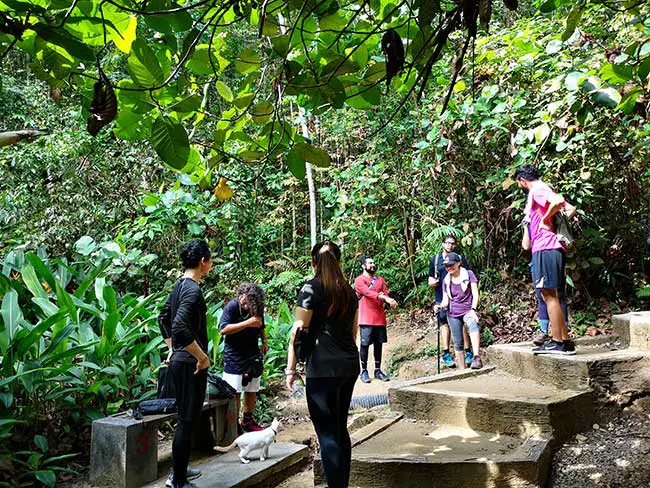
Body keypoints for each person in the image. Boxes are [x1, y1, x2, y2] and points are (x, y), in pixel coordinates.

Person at [285, 241, 359, 488]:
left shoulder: (310, 288)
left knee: (326, 434)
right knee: (339, 429)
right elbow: (353, 332)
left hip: (322, 368)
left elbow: (298, 330)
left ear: (313, 263)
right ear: (339, 261)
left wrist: (291, 369)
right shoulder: (349, 291)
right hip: (349, 365)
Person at [158, 240, 212, 488]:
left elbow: (163, 318)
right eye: (210, 260)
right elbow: (178, 325)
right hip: (191, 364)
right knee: (187, 420)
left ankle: (180, 470)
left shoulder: (178, 285)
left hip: (181, 360)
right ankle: (177, 480)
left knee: (186, 419)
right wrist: (201, 356)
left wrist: (172, 349)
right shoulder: (191, 289)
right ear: (203, 261)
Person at [515, 164, 576, 355]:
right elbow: (571, 209)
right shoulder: (543, 189)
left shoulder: (538, 190)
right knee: (551, 295)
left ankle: (559, 342)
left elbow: (558, 201)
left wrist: (545, 219)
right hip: (550, 248)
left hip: (546, 247)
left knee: (549, 295)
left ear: (522, 180)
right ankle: (563, 341)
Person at [220, 282, 267, 433]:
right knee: (235, 391)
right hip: (234, 355)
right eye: (246, 303)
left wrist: (264, 341)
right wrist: (247, 323)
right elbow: (223, 329)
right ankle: (234, 427)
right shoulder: (232, 307)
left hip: (252, 354)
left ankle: (247, 421)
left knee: (252, 388)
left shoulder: (256, 306)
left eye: (251, 304)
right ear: (242, 296)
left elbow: (261, 325)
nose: (248, 307)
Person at [428, 235, 473, 368]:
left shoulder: (459, 259)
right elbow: (430, 278)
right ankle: (446, 353)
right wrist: (433, 283)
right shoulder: (436, 260)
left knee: (462, 323)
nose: (450, 246)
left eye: (453, 243)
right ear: (443, 244)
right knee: (444, 324)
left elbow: (467, 276)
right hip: (441, 296)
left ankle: (467, 351)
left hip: (459, 297)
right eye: (447, 243)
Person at [522, 226, 569, 346]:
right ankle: (562, 337)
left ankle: (557, 338)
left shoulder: (536, 212)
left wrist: (527, 226)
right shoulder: (549, 214)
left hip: (545, 251)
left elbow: (526, 245)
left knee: (549, 296)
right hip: (555, 253)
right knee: (555, 296)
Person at [434, 252, 482, 369]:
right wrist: (439, 306)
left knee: (472, 323)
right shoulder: (446, 280)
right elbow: (446, 300)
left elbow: (475, 294)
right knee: (457, 342)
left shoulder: (468, 274)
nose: (449, 268)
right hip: (453, 313)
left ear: (458, 263)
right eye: (447, 266)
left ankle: (476, 357)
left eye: (451, 265)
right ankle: (462, 369)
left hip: (467, 310)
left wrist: (473, 309)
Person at [355, 255, 397, 383]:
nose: (373, 265)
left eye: (373, 262)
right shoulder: (359, 280)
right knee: (364, 344)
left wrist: (387, 299)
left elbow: (385, 293)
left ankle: (378, 370)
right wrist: (383, 297)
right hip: (365, 317)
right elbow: (367, 293)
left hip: (379, 316)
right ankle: (364, 371)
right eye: (370, 263)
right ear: (363, 266)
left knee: (378, 344)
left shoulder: (380, 280)